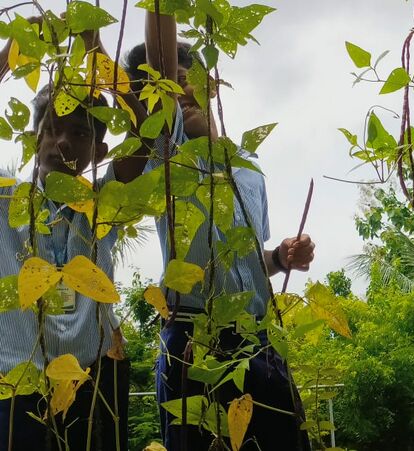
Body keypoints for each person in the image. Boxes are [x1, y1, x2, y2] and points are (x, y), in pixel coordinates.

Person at [122, 10, 314, 450]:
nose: (176, 88)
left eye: (184, 77)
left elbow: (249, 263)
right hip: (193, 337)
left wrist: (282, 256)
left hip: (259, 336)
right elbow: (161, 61)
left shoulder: (246, 162)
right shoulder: (165, 155)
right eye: (156, 86)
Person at [0, 18, 140, 451]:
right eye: (52, 129)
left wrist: (93, 45)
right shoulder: (6, 197)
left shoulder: (106, 200)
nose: (62, 142)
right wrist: (14, 50)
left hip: (96, 380)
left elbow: (147, 132)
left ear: (99, 150)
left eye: (80, 132)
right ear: (33, 137)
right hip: (19, 381)